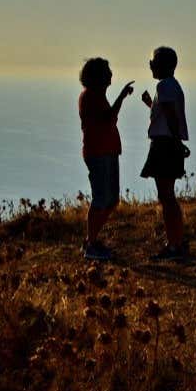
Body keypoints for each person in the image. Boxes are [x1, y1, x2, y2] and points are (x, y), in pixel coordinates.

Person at [77, 57, 135, 261]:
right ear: (98, 76)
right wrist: (121, 97)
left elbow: (107, 119)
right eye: (107, 71)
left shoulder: (96, 96)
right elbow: (107, 119)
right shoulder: (90, 97)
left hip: (107, 151)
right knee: (102, 199)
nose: (111, 74)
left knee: (110, 200)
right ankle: (91, 244)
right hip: (99, 153)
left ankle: (91, 240)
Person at [139, 46, 189, 260]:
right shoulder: (171, 86)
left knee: (166, 196)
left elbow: (170, 116)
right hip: (168, 143)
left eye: (152, 62)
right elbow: (166, 113)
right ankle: (176, 242)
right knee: (168, 196)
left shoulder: (164, 86)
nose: (150, 65)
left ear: (162, 65)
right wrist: (150, 103)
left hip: (165, 145)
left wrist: (176, 143)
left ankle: (174, 246)